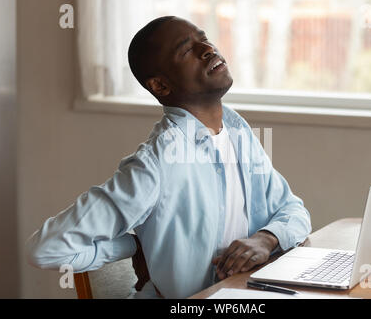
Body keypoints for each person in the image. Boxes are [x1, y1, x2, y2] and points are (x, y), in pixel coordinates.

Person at [26, 16, 312, 299]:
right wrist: (132, 248)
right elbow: (45, 249)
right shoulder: (154, 164)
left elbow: (294, 211)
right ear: (161, 86)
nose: (208, 49)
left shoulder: (238, 132)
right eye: (188, 50)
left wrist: (266, 238)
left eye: (205, 38)